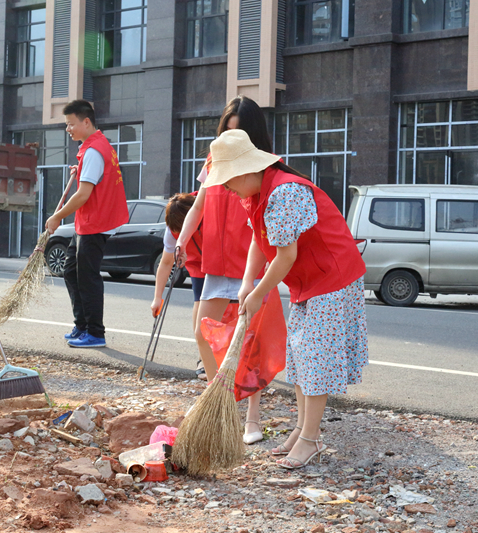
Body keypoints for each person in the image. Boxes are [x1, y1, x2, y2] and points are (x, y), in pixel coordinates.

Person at [204, 129, 369, 469]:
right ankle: (301, 430)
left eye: (228, 180)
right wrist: (247, 282)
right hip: (306, 282)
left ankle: (310, 439)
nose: (226, 189)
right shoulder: (255, 195)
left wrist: (260, 292)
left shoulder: (285, 191)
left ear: (247, 170)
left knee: (315, 358)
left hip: (331, 278)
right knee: (299, 356)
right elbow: (258, 241)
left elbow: (285, 255)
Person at [174, 96, 269, 444]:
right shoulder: (214, 159)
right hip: (216, 260)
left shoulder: (264, 166)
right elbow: (199, 201)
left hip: (252, 262)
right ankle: (220, 402)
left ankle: (253, 418)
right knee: (204, 333)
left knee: (250, 344)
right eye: (226, 131)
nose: (231, 139)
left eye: (239, 131)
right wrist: (182, 240)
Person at [45, 99, 129, 349]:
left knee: (87, 277)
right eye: (66, 125)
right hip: (90, 221)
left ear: (86, 121)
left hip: (97, 221)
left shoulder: (93, 150)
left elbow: (83, 194)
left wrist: (58, 215)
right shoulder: (95, 146)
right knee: (71, 270)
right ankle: (82, 325)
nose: (68, 129)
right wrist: (81, 169)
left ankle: (95, 333)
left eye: (71, 124)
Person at [151, 193, 205, 376]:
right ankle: (204, 356)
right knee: (200, 303)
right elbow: (166, 263)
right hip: (197, 265)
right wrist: (157, 298)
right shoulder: (172, 229)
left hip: (222, 260)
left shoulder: (209, 209)